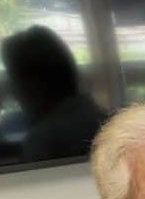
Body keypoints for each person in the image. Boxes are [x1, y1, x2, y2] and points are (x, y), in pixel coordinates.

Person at [1, 25, 107, 163]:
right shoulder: (96, 115)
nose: (12, 90)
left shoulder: (44, 140)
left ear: (31, 83)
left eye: (13, 78)